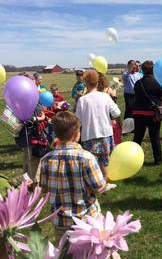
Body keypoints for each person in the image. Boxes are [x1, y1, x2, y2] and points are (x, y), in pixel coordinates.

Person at [39, 111, 114, 243]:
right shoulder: (86, 158)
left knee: (66, 253)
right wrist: (107, 183)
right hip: (87, 220)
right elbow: (98, 187)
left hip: (61, 222)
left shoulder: (45, 160)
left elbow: (44, 190)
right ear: (76, 133)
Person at [76, 70, 121, 179]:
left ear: (86, 83)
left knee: (91, 165)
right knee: (105, 162)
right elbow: (117, 113)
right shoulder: (105, 97)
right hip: (106, 134)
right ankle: (104, 185)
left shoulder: (82, 100)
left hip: (89, 137)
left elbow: (78, 120)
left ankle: (95, 187)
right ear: (97, 82)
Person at [133, 60, 162, 165]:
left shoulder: (138, 83)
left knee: (138, 137)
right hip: (153, 114)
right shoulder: (157, 82)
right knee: (154, 137)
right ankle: (158, 159)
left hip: (138, 113)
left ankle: (133, 158)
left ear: (142, 70)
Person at [97, 73, 122, 145]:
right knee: (115, 140)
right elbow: (114, 107)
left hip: (100, 118)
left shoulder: (94, 92)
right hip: (111, 118)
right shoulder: (110, 90)